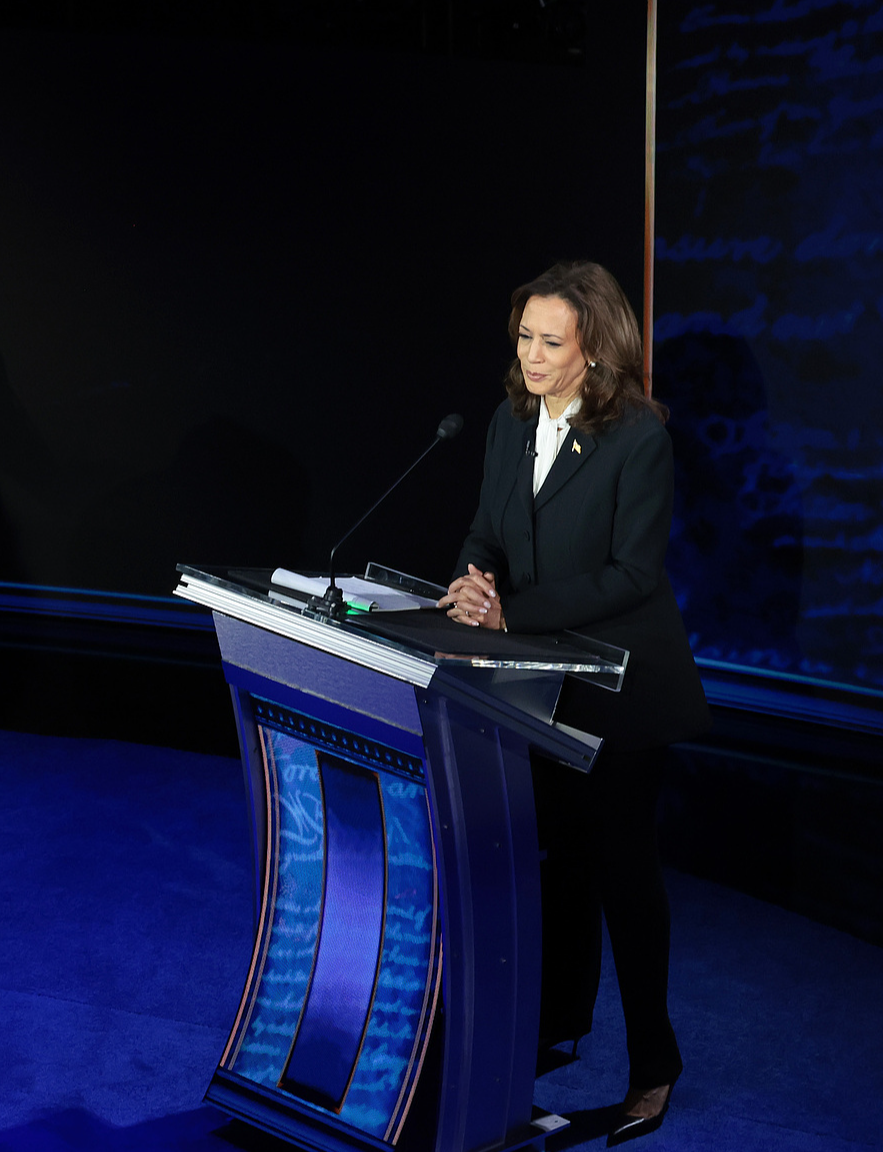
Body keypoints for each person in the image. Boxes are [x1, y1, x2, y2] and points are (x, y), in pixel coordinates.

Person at [438, 260, 709, 1146]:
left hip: (624, 692)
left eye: (552, 342)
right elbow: (488, 531)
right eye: (524, 337)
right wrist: (473, 583)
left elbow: (633, 573)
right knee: (556, 865)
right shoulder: (509, 422)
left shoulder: (639, 436)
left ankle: (654, 1067)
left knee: (624, 879)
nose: (533, 356)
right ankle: (557, 1027)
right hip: (535, 686)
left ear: (595, 350)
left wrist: (514, 609)